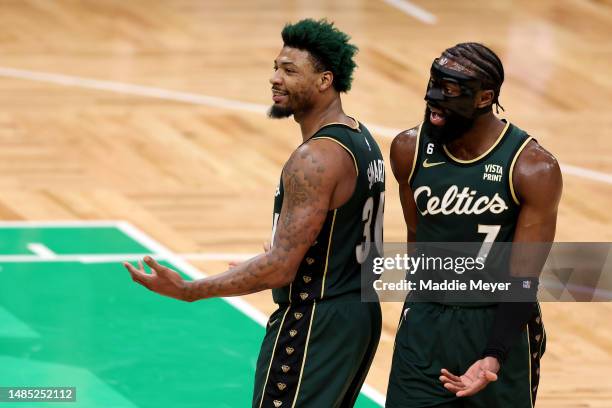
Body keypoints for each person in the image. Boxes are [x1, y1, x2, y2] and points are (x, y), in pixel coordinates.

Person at [124, 19, 385, 408]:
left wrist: (190, 291)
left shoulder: (314, 159)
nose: (275, 79)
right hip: (358, 315)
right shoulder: (361, 138)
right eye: (276, 67)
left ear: (324, 80)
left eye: (290, 70)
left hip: (314, 322)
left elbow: (281, 269)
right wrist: (278, 257)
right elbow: (334, 241)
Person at [385, 42, 562, 408]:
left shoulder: (532, 168)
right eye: (433, 83)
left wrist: (494, 353)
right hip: (426, 323)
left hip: (497, 325)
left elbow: (524, 278)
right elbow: (416, 239)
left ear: (484, 98)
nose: (433, 98)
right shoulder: (408, 149)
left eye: (449, 91)